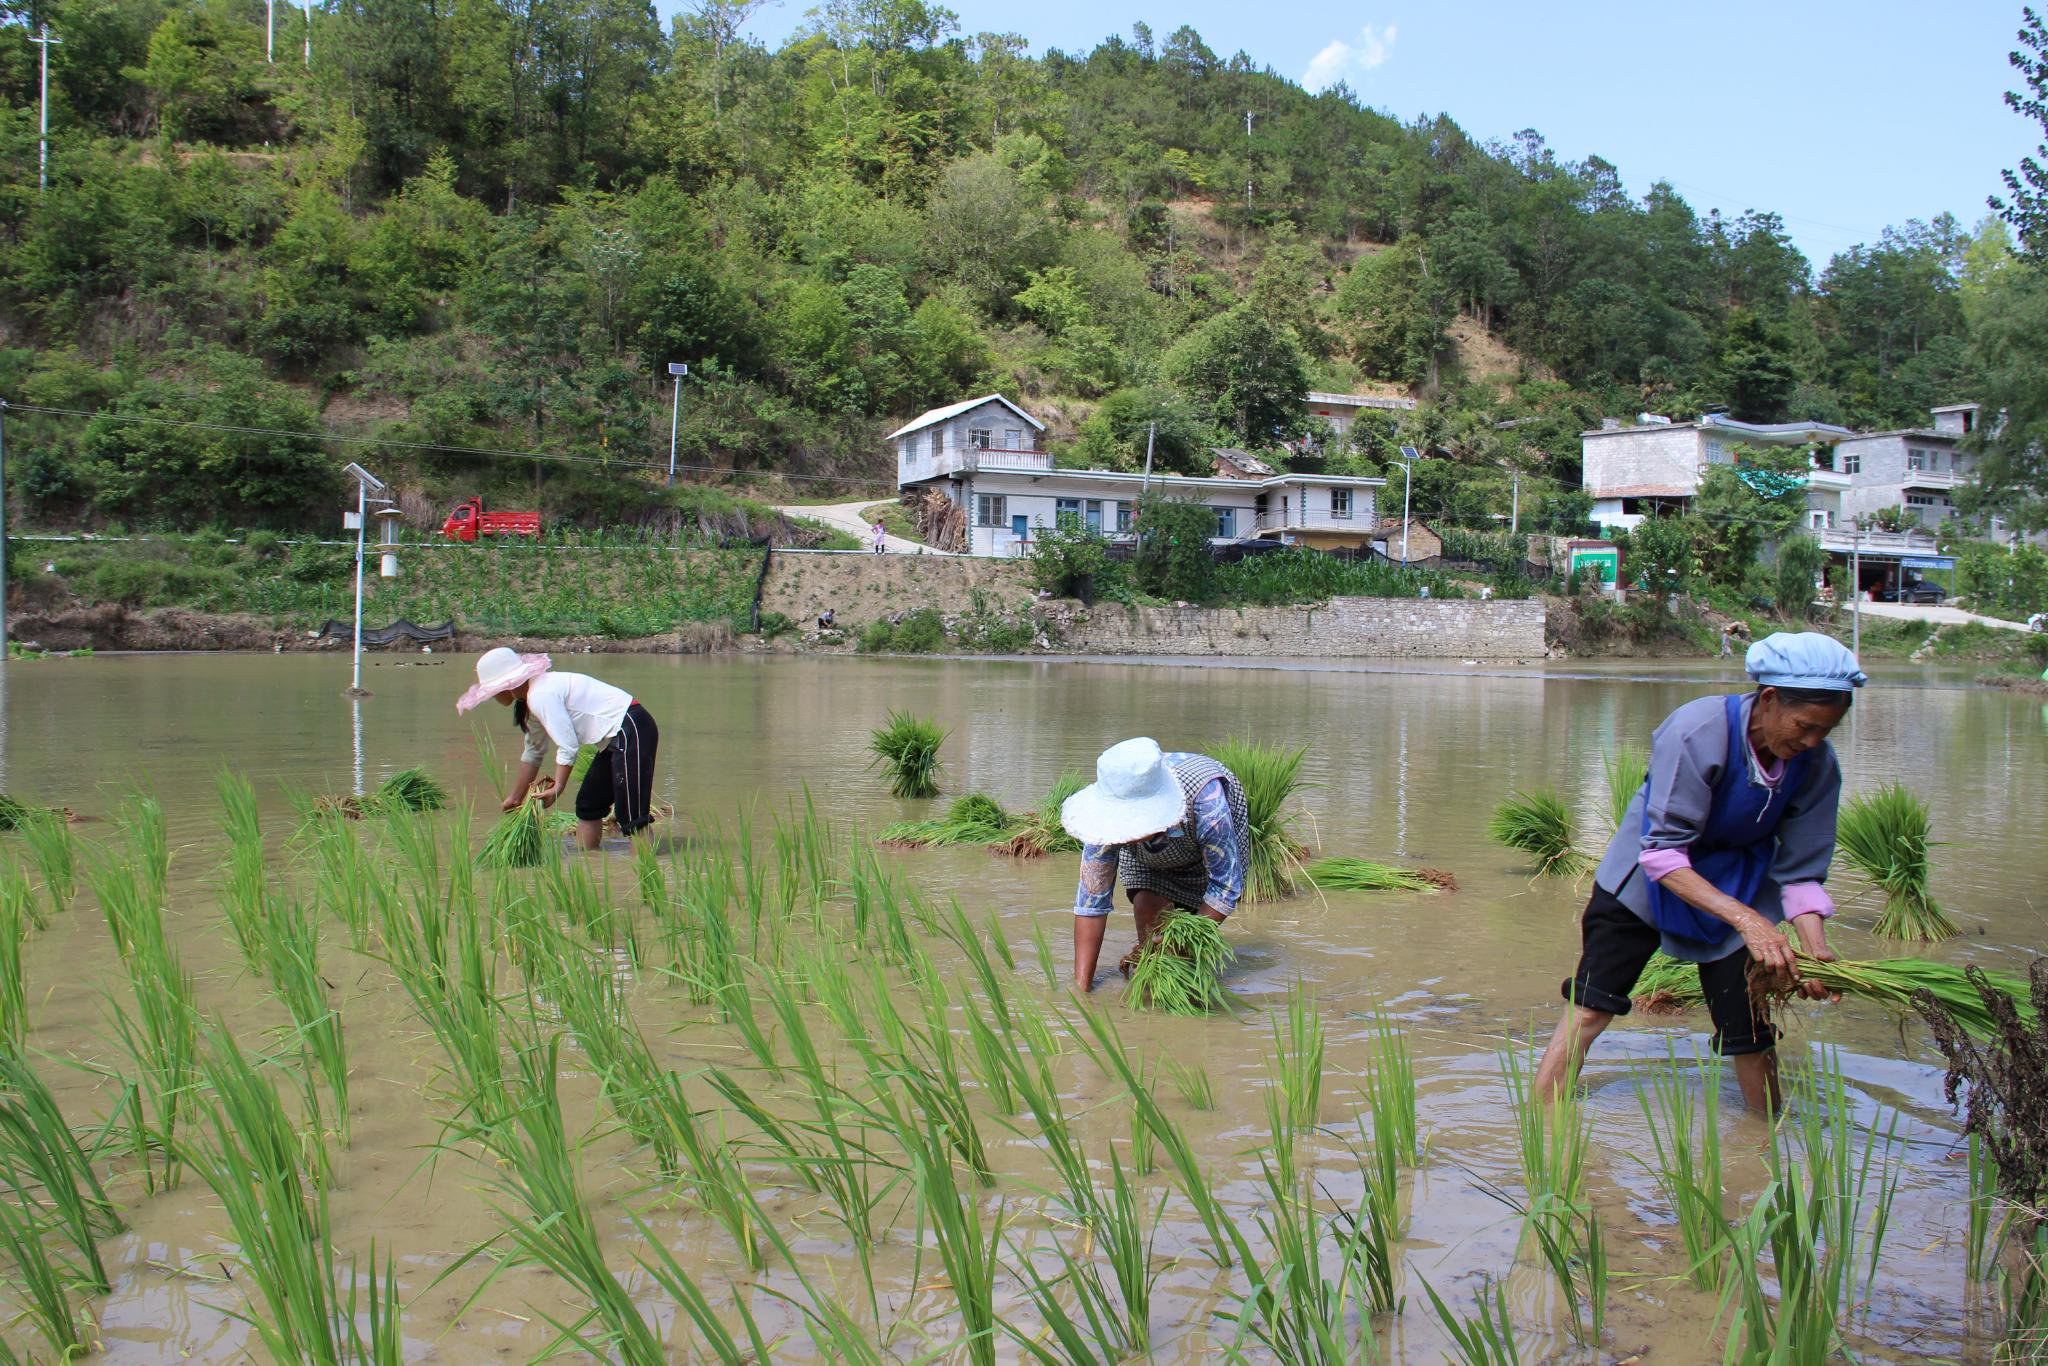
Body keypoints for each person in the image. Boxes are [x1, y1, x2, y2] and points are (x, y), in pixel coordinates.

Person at [1533, 632, 1864, 1111]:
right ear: (1769, 699)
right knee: (1591, 1005)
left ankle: (1765, 1140)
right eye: (1805, 725)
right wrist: (1750, 922)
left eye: (1825, 731)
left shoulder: (1816, 765)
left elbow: (1801, 874)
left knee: (1750, 1028)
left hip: (1738, 883)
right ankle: (1541, 1119)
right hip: (1644, 879)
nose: (1811, 741)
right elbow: (1664, 854)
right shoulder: (1698, 730)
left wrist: (1816, 951)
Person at [1059, 738, 1250, 992]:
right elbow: (1091, 901)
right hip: (1153, 858)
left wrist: (1180, 939)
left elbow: (1225, 885)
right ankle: (1158, 984)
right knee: (1147, 908)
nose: (1133, 833)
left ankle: (1185, 975)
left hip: (1201, 848)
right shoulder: (1105, 825)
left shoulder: (1207, 801)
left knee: (1178, 951)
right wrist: (1082, 990)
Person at [456, 648, 660, 851]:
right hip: (615, 736)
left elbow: (568, 745)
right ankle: (588, 864)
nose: (491, 697)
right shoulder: (530, 700)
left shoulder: (540, 694)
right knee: (589, 804)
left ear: (507, 686)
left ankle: (646, 870)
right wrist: (516, 797)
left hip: (631, 727)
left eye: (491, 691)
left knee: (632, 815)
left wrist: (558, 788)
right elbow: (533, 752)